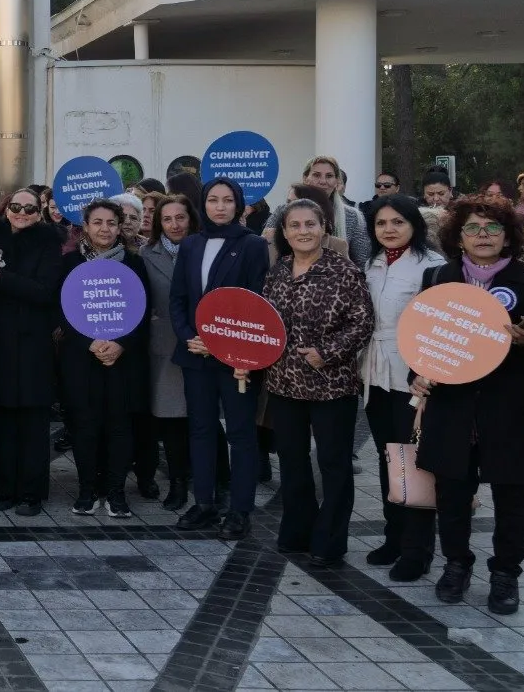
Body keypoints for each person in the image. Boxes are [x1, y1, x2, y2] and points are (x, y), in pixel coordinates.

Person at [411, 196, 524, 615]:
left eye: (492, 228)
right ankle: (456, 564)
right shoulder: (436, 278)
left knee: (513, 494)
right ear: (458, 235)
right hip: (453, 404)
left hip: (511, 405)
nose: (482, 236)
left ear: (508, 235)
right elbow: (420, 340)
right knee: (452, 490)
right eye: (473, 228)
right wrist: (417, 372)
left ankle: (506, 574)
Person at [262, 198, 375, 568]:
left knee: (333, 463)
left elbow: (362, 323)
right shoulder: (278, 271)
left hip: (331, 385)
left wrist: (327, 351)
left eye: (310, 224)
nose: (303, 232)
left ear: (324, 228)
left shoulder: (344, 271)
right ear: (284, 232)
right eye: (294, 226)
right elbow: (264, 322)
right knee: (292, 462)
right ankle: (297, 531)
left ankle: (330, 541)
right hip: (283, 384)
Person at [169, 178, 271, 540]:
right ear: (203, 204)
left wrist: (224, 343)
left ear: (240, 205)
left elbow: (257, 304)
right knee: (201, 429)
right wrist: (188, 336)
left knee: (241, 433)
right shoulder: (192, 244)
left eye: (228, 200)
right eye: (213, 199)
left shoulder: (254, 246)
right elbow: (178, 299)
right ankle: (205, 503)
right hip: (196, 354)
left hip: (236, 358)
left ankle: (240, 509)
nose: (220, 206)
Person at [360, 194, 438, 580]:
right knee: (388, 456)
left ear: (414, 225)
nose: (388, 230)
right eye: (381, 224)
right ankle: (394, 536)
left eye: (397, 222)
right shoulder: (371, 264)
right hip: (375, 372)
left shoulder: (433, 267)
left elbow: (438, 324)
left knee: (416, 462)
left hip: (416, 376)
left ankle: (418, 549)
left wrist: (426, 369)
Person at [0, 188, 63, 514]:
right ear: (5, 209)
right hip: (1, 342)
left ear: (40, 212)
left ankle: (31, 492)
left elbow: (44, 291)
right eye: (15, 207)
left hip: (34, 342)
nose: (22, 212)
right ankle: (1, 487)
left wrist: (0, 277)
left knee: (33, 420)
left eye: (30, 208)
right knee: (1, 417)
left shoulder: (49, 242)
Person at [57, 199, 151, 519]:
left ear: (119, 226)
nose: (104, 229)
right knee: (85, 426)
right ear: (86, 226)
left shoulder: (134, 264)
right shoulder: (69, 263)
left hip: (122, 361)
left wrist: (120, 344)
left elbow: (143, 311)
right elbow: (61, 311)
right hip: (82, 358)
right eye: (97, 222)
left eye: (111, 223)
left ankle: (115, 491)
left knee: (119, 427)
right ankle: (87, 491)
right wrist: (90, 342)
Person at [141, 194, 200, 511]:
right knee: (172, 420)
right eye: (167, 219)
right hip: (164, 346)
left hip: (203, 345)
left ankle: (214, 480)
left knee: (202, 419)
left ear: (190, 218)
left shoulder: (205, 250)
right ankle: (177, 483)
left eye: (181, 217)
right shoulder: (146, 253)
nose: (175, 224)